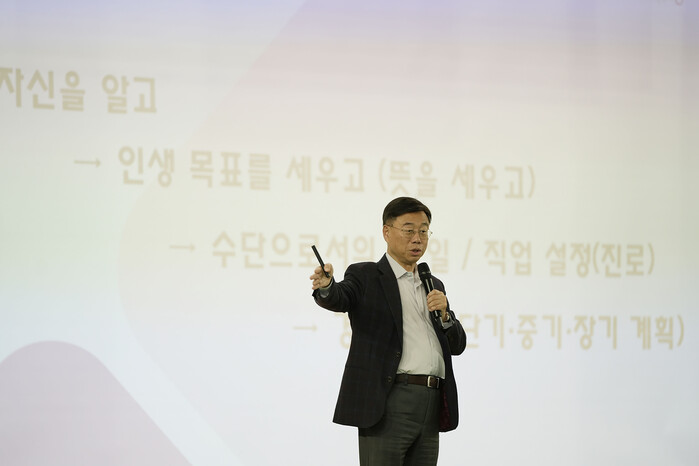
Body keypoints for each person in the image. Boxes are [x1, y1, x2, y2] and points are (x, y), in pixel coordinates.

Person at [309, 197, 467, 466]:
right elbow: (340, 297)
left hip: (431, 402)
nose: (417, 238)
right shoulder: (366, 275)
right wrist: (326, 286)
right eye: (409, 230)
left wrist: (445, 316)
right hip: (389, 400)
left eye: (424, 231)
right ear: (386, 232)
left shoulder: (433, 284)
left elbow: (457, 345)